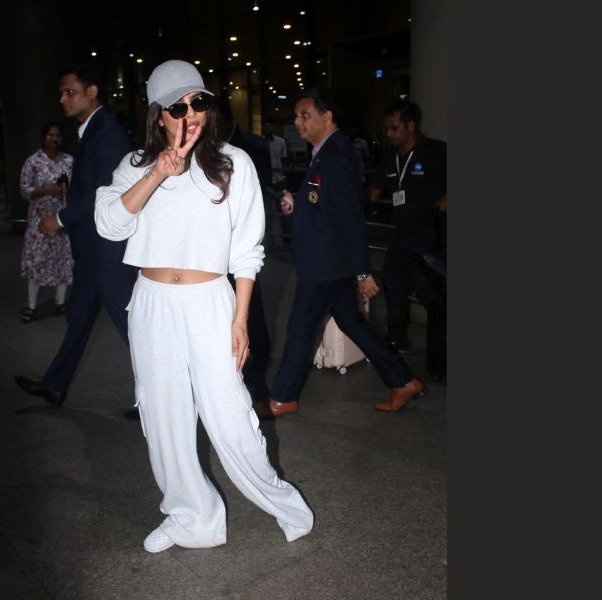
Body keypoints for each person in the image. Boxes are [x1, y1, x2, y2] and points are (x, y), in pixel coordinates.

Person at [94, 60, 314, 553]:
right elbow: (109, 224)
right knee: (163, 417)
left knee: (230, 415)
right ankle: (193, 518)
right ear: (158, 115)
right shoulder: (135, 166)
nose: (190, 113)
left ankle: (283, 503)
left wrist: (240, 319)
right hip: (152, 302)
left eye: (198, 102)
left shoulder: (233, 164)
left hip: (209, 301)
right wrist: (158, 172)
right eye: (177, 107)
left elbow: (247, 251)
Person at [267, 88, 427, 416]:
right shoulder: (324, 153)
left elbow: (351, 217)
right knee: (353, 322)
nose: (297, 122)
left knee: (300, 327)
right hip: (330, 261)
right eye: (296, 115)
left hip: (326, 264)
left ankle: (283, 396)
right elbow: (324, 205)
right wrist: (297, 204)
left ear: (327, 117)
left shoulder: (336, 156)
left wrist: (362, 271)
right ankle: (402, 381)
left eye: (305, 115)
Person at [14, 63, 137, 408]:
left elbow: (105, 194)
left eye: (70, 92)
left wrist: (59, 218)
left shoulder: (106, 133)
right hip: (92, 252)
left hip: (107, 253)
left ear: (92, 92)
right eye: (61, 93)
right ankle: (55, 385)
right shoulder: (92, 130)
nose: (63, 99)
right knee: (78, 320)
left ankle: (168, 399)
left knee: (135, 330)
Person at [368, 100, 447, 353]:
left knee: (432, 293)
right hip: (402, 234)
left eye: (394, 128)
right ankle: (397, 337)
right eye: (387, 129)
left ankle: (441, 349)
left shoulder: (436, 151)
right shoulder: (390, 156)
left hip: (430, 235)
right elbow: (374, 190)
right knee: (393, 280)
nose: (389, 134)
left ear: (411, 126)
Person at [217, 100, 273, 408]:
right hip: (211, 253)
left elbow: (261, 193)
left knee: (251, 315)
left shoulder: (251, 148)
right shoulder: (195, 151)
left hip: (242, 243)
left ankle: (256, 386)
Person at [18, 122, 75, 323]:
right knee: (37, 262)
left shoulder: (68, 161)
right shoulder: (33, 162)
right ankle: (31, 306)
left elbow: (77, 186)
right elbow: (24, 190)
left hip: (62, 221)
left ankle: (60, 302)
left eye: (58, 135)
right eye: (51, 135)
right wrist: (47, 191)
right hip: (39, 222)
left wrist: (67, 190)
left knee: (64, 262)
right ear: (44, 137)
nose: (55, 139)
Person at [262, 116, 288, 188]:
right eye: (266, 126)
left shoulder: (281, 142)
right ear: (263, 128)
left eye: (270, 126)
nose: (268, 128)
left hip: (279, 177)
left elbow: (283, 159)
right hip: (265, 177)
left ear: (273, 127)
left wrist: (284, 176)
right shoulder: (259, 141)